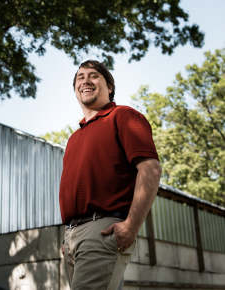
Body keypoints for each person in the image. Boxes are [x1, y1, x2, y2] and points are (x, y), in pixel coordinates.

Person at [59, 60, 162, 290]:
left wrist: (131, 226)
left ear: (110, 86)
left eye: (94, 76)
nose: (85, 80)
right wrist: (68, 236)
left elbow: (150, 169)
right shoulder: (74, 138)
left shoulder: (123, 115)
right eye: (80, 77)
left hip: (103, 229)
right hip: (72, 236)